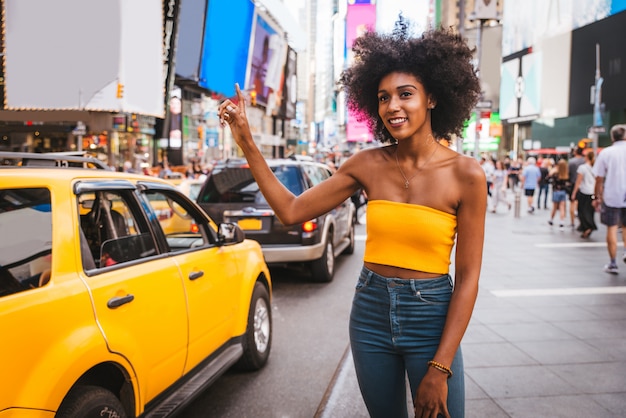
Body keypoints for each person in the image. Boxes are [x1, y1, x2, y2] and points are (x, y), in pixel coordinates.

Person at [218, 21, 485, 418]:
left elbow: (468, 280)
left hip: (431, 314)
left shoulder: (467, 175)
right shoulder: (366, 164)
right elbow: (291, 211)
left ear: (432, 98)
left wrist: (440, 366)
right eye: (383, 98)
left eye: (405, 95)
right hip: (370, 312)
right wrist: (247, 142)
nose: (393, 106)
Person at [592, 124, 626, 274]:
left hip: (612, 195)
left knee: (611, 228)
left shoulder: (606, 153)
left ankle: (613, 263)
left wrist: (596, 196)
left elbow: (599, 178)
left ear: (613, 137)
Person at [571, 151, 597, 238]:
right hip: (593, 192)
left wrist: (574, 193)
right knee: (590, 211)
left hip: (584, 192)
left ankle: (586, 227)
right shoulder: (595, 167)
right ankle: (589, 226)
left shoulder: (582, 168)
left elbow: (578, 182)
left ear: (586, 157)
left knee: (581, 211)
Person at [547, 159, 570, 229]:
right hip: (563, 192)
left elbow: (548, 179)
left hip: (556, 191)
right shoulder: (566, 175)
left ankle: (551, 219)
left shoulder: (555, 174)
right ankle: (561, 221)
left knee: (554, 207)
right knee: (562, 207)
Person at [568, 147, 585, 228]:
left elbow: (568, 173)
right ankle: (581, 222)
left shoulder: (571, 162)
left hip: (573, 184)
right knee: (581, 204)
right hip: (583, 185)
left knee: (572, 203)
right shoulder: (584, 161)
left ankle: (572, 222)